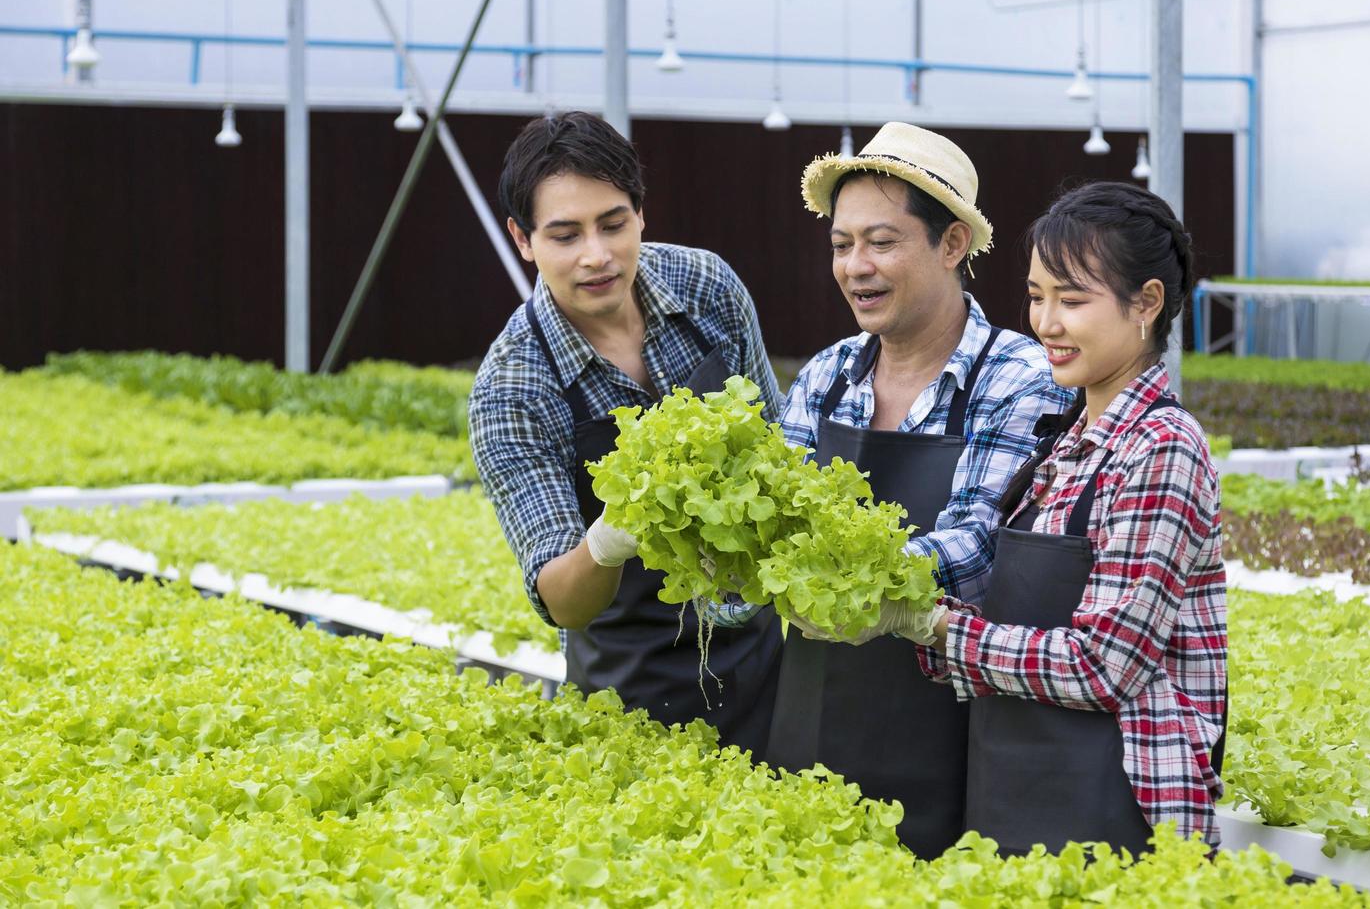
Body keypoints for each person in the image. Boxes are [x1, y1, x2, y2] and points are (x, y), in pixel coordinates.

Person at [843, 180, 1228, 855]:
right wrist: (898, 607)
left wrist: (936, 627)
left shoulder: (1161, 447)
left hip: (1116, 807)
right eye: (1037, 295)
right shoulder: (1062, 442)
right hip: (1017, 791)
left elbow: (1102, 666)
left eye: (1072, 299)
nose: (1046, 322)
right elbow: (1012, 622)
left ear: (1146, 303)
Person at [765, 123, 1072, 859]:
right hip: (808, 723)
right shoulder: (828, 374)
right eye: (841, 244)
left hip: (947, 741)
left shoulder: (1018, 379)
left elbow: (979, 545)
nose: (855, 266)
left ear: (953, 245)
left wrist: (841, 584)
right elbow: (770, 528)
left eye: (882, 241)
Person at [468, 111, 784, 759]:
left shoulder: (709, 289)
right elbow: (560, 596)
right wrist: (610, 539)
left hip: (769, 662)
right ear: (522, 240)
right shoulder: (511, 388)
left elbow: (780, 448)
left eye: (613, 224)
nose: (596, 255)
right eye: (565, 235)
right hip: (635, 691)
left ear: (641, 212)